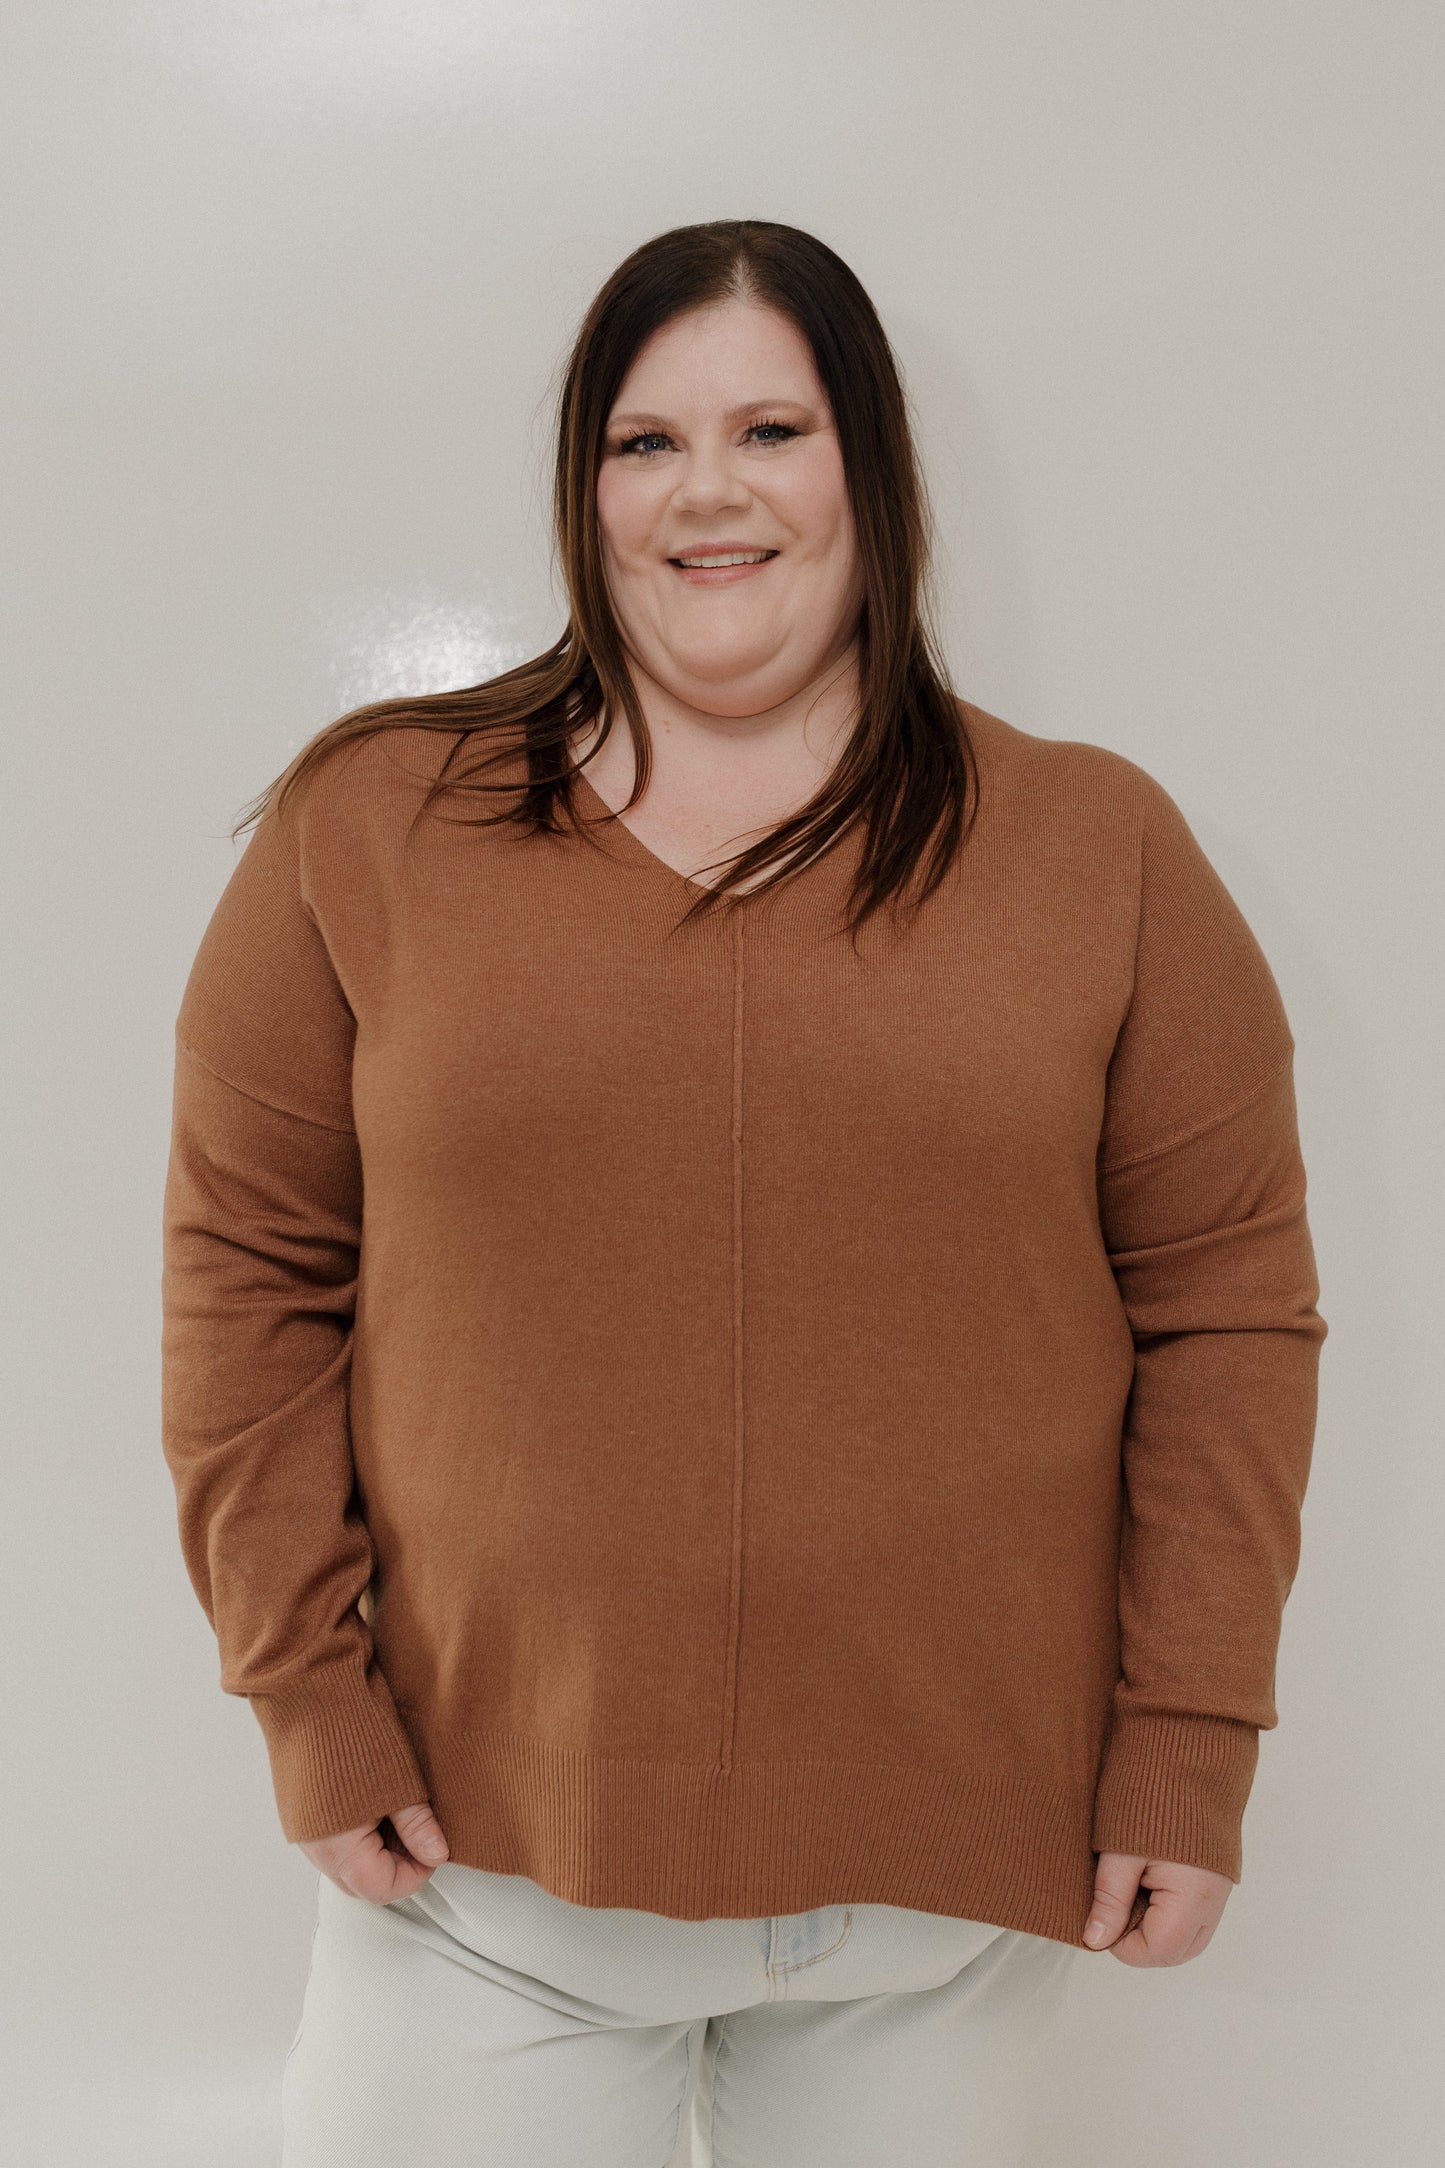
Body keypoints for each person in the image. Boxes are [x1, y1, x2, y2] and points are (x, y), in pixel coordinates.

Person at [159, 219, 1327, 2167]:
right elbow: (251, 1276)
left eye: (772, 428)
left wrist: (1190, 1745)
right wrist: (308, 1690)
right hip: (477, 1886)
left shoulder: (1098, 848)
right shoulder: (368, 824)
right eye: (644, 441)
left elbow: (1226, 1313)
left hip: (947, 1906)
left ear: (868, 466)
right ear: (581, 487)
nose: (709, 489)